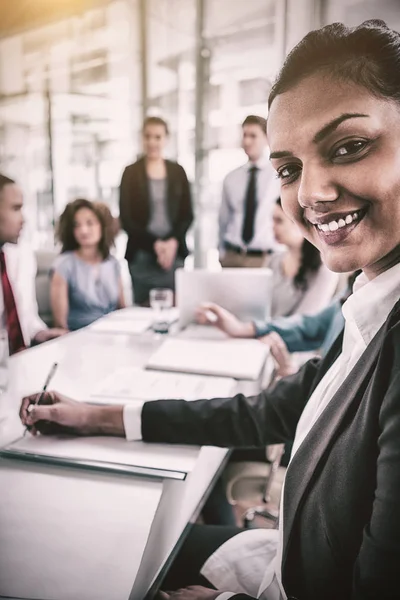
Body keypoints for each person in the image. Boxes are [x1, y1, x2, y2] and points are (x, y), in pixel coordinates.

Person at [20, 18, 400, 600]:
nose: (309, 194)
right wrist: (95, 415)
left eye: (349, 147)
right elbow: (264, 414)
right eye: (288, 170)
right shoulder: (368, 305)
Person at [206, 198, 338, 322]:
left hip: (296, 341)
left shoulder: (325, 267)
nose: (272, 227)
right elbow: (258, 309)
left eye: (279, 221)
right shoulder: (273, 260)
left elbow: (306, 322)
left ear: (300, 223)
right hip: (266, 337)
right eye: (272, 220)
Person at [119, 116, 193, 305]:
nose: (152, 142)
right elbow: (127, 218)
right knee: (142, 314)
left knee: (175, 312)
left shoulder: (178, 171)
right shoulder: (130, 173)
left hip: (173, 255)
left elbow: (187, 214)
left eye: (157, 137)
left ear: (166, 139)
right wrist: (156, 245)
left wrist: (171, 242)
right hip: (141, 256)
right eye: (148, 136)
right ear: (141, 138)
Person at [0, 174, 66, 354]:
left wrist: (40, 333)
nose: (24, 219)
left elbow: (26, 316)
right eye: (15, 208)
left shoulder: (21, 254)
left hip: (22, 359)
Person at [50, 199, 125, 332]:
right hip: (79, 339)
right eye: (76, 225)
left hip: (113, 336)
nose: (83, 230)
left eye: (90, 223)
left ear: (102, 226)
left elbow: (123, 310)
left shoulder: (113, 263)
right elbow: (60, 326)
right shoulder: (64, 265)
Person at [219, 115, 280, 268]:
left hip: (264, 259)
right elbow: (223, 220)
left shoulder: (278, 176)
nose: (247, 141)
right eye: (244, 135)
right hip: (233, 257)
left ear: (267, 138)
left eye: (253, 136)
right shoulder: (231, 178)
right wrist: (221, 253)